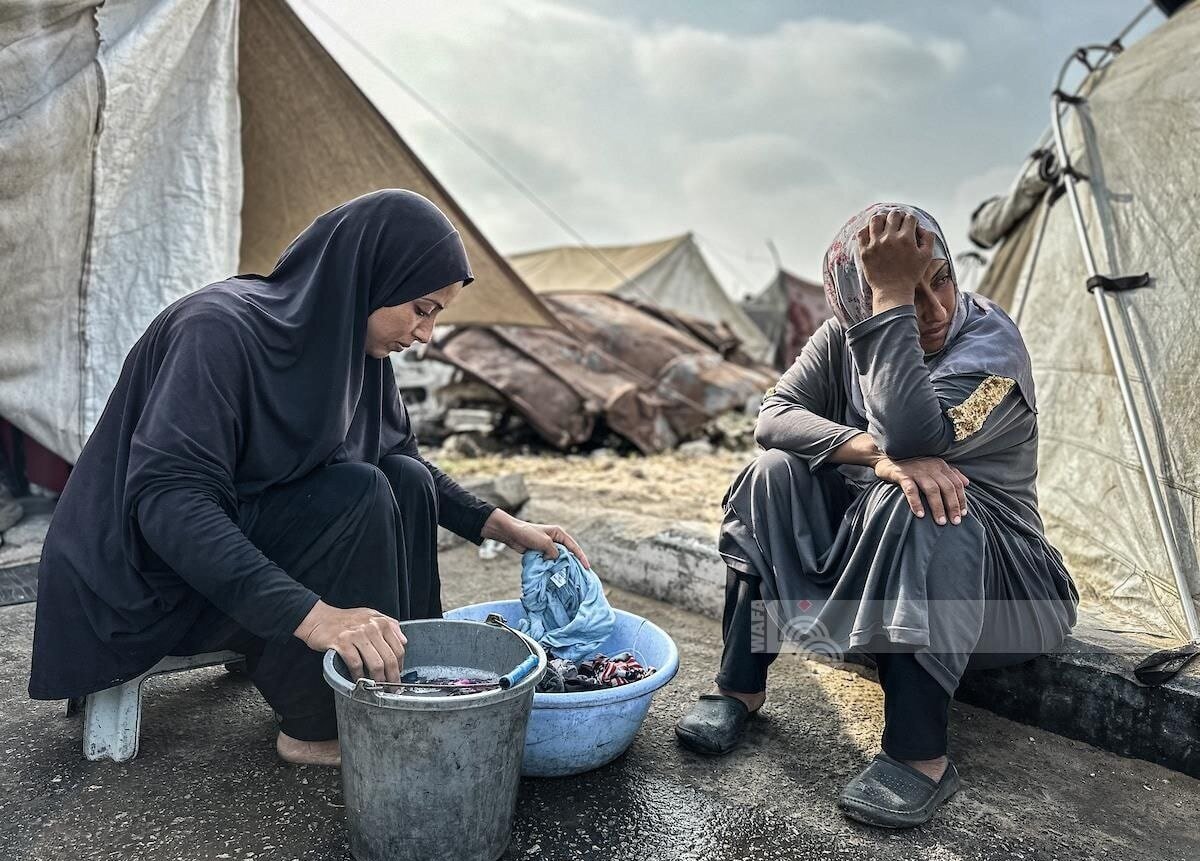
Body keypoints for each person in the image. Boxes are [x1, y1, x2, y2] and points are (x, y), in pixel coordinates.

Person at [28, 190, 588, 767]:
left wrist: (500, 525)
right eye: (421, 308)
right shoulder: (218, 330)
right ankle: (319, 727)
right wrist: (316, 617)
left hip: (227, 554)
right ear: (366, 278)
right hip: (140, 576)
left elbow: (406, 461)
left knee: (399, 479)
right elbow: (170, 505)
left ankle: (405, 680)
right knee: (360, 492)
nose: (425, 335)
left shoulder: (355, 352)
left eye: (436, 314)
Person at [675, 204, 1078, 828]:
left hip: (1009, 599)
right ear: (853, 308)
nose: (936, 310)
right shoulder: (845, 335)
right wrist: (870, 453)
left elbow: (918, 436)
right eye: (903, 296)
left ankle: (919, 756)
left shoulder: (992, 343)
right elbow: (774, 417)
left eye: (938, 279)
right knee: (770, 477)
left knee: (923, 499)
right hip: (881, 593)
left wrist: (890, 296)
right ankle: (740, 687)